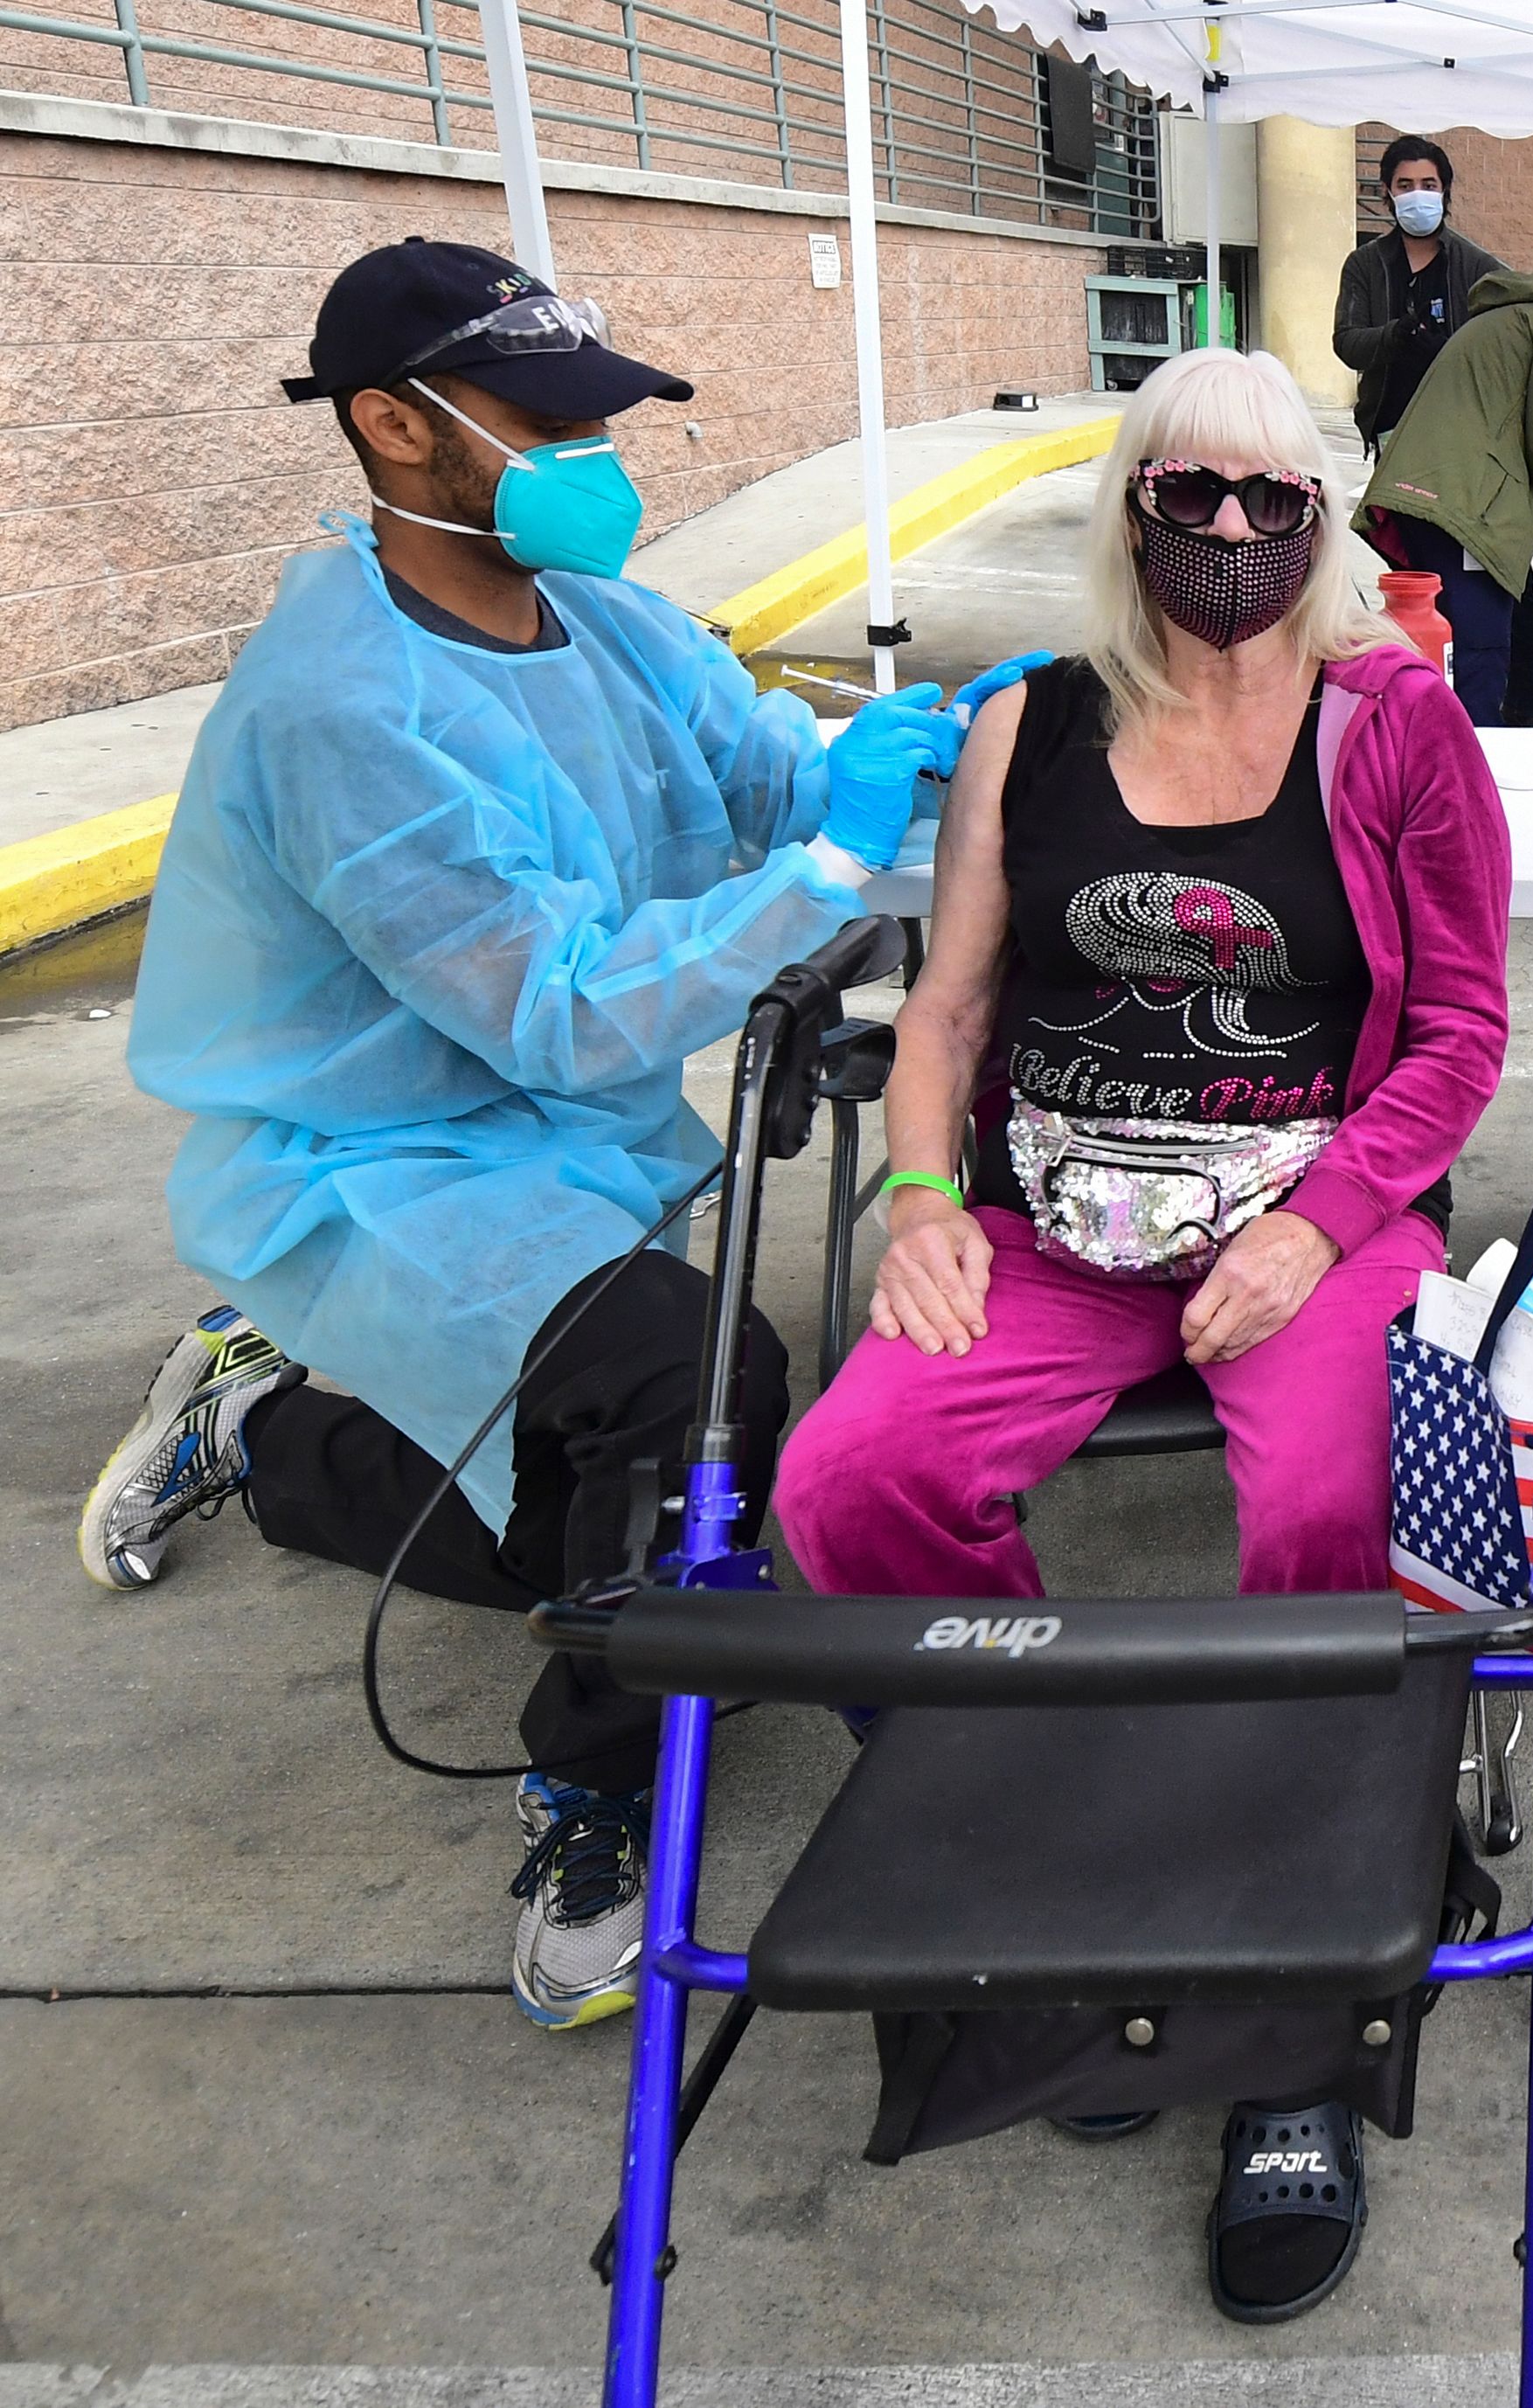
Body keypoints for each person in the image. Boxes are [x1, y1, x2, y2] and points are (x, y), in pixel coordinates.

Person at [85, 236, 1037, 2030]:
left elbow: (749, 762)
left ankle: (272, 1431)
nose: (594, 461)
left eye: (603, 422)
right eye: (547, 423)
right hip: (376, 1161)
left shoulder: (603, 622)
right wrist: (828, 866)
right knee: (699, 1401)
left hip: (561, 1142)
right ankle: (588, 1797)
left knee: (628, 1533)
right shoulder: (342, 709)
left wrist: (906, 743)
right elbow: (553, 1001)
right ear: (395, 426)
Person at [771, 345, 1509, 2326]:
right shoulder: (1034, 717)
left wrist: (1328, 1224)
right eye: (1194, 494)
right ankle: (1063, 1863)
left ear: (1325, 520)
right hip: (1057, 1214)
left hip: (1302, 1208)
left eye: (1277, 501)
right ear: (1130, 506)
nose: (1237, 533)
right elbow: (945, 1005)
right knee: (849, 1479)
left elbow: (1454, 1035)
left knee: (1323, 1521)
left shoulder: (1401, 729)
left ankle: (1293, 2029)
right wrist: (920, 1201)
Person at [1361, 259, 1533, 727]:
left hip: (1446, 502)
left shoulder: (1528, 317)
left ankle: (1487, 753)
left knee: (1500, 644)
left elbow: (1516, 466)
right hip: (1458, 512)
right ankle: (1475, 771)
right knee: (1480, 656)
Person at [1333, 134, 1501, 455]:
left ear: (1444, 191)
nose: (1417, 195)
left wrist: (1448, 351)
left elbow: (1502, 351)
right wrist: (1392, 335)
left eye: (1428, 184)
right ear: (1388, 191)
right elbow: (1347, 342)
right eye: (1405, 185)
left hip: (1462, 433)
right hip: (1391, 429)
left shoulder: (1479, 267)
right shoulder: (1365, 264)